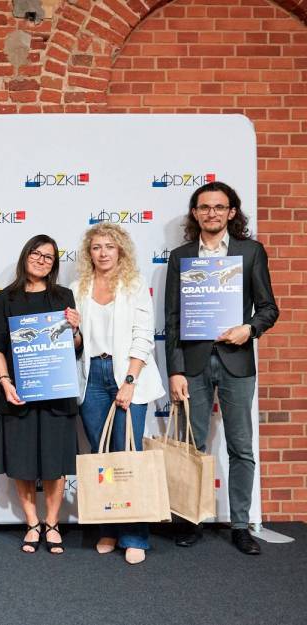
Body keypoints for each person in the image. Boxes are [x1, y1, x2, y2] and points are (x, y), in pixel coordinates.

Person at [164, 181, 279, 555]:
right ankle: (191, 520)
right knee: (192, 446)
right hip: (193, 363)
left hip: (237, 361)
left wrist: (250, 329)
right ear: (195, 213)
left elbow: (269, 309)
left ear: (231, 212)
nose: (211, 212)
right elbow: (172, 318)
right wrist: (175, 370)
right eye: (204, 207)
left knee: (241, 446)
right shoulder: (181, 256)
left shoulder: (250, 252)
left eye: (218, 207)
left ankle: (241, 526)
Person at [71, 223, 165, 565]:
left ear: (120, 250)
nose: (103, 253)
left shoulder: (134, 285)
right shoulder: (77, 288)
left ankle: (135, 535)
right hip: (91, 378)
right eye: (97, 247)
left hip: (127, 375)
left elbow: (143, 336)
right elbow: (78, 344)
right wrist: (72, 331)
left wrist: (129, 380)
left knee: (128, 454)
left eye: (109, 246)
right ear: (89, 253)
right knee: (102, 457)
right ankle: (108, 527)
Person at [0, 234, 80, 555]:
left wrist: (75, 330)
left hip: (56, 393)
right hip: (18, 392)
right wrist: (5, 381)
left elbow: (75, 348)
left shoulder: (63, 295)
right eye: (36, 254)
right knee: (22, 460)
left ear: (54, 264)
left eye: (48, 257)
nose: (41, 260)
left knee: (55, 461)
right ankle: (31, 522)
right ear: (25, 255)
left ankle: (52, 522)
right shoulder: (5, 298)